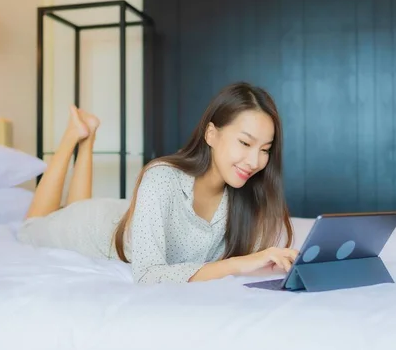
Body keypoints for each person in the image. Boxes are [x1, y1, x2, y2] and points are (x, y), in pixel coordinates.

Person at [18, 82, 299, 284]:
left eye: (265, 149)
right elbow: (149, 275)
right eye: (245, 142)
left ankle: (87, 136)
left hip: (122, 218)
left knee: (77, 204)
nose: (254, 161)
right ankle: (74, 136)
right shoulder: (163, 176)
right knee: (32, 226)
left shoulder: (242, 195)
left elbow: (222, 264)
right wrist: (240, 263)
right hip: (91, 228)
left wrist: (266, 262)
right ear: (211, 134)